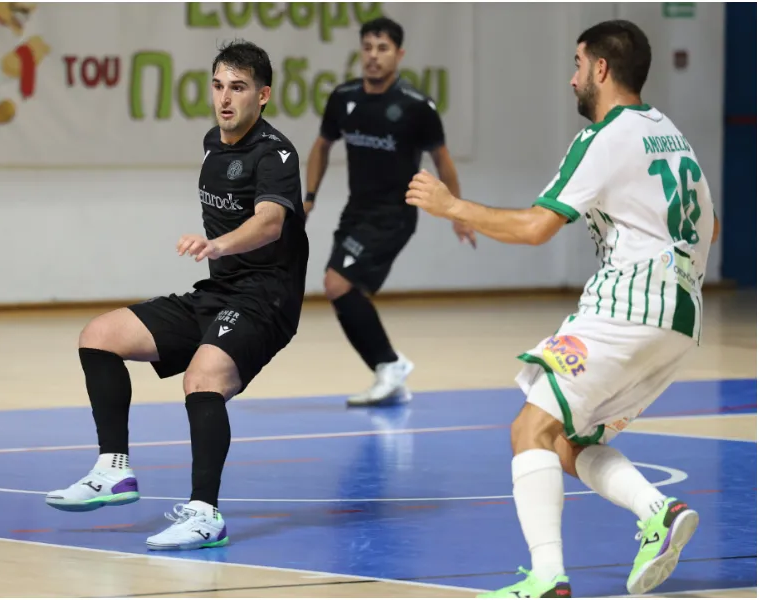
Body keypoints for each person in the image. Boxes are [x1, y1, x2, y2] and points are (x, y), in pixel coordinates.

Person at [405, 20, 717, 598]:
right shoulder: (669, 134)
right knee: (568, 442)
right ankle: (659, 511)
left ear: (601, 68)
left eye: (577, 64)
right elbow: (711, 226)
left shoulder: (602, 137)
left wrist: (453, 207)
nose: (571, 78)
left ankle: (548, 577)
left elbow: (535, 228)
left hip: (627, 305)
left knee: (529, 428)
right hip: (682, 317)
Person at [45, 40, 309, 551]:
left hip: (265, 300)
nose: (225, 99)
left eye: (238, 88)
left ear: (263, 95)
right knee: (99, 336)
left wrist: (217, 243)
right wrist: (217, 257)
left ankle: (205, 513)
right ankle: (113, 470)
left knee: (202, 377)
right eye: (217, 86)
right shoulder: (214, 141)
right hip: (218, 292)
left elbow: (271, 223)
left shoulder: (276, 153)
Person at [305, 17, 476, 407]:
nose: (373, 56)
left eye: (382, 49)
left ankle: (389, 365)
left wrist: (458, 213)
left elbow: (443, 162)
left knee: (337, 284)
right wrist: (310, 195)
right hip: (357, 210)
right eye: (367, 47)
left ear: (398, 55)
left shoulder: (416, 107)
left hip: (396, 212)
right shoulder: (343, 98)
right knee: (345, 291)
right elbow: (321, 147)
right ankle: (390, 371)